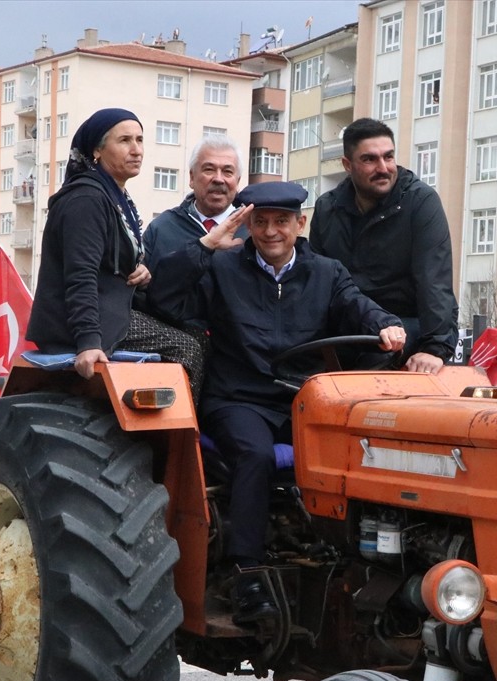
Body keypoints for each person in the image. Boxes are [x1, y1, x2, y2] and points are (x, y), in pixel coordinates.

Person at [150, 181, 406, 625]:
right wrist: (204, 247)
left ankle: (359, 562)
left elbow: (358, 306)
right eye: (261, 222)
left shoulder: (326, 273)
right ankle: (245, 573)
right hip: (238, 398)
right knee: (254, 454)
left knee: (364, 446)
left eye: (281, 222)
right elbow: (163, 298)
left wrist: (387, 325)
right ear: (248, 225)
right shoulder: (222, 268)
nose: (271, 232)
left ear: (299, 224)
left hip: (302, 401)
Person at [26, 108, 205, 396]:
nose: (136, 150)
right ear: (97, 150)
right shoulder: (86, 200)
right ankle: (178, 438)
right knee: (188, 349)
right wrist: (88, 342)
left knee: (199, 333)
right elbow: (80, 275)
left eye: (140, 140)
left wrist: (140, 269)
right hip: (87, 323)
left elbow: (110, 261)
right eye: (124, 141)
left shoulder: (113, 196)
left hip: (111, 311)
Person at [309, 117, 458, 375]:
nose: (383, 167)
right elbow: (316, 281)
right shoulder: (327, 208)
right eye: (369, 159)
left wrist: (434, 349)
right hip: (350, 322)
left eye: (388, 157)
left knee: (370, 368)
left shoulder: (421, 202)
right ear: (347, 164)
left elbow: (433, 280)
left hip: (406, 324)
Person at [142, 134, 246, 266]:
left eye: (227, 171)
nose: (219, 179)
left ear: (237, 182)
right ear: (191, 177)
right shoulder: (162, 228)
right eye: (209, 170)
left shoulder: (252, 231)